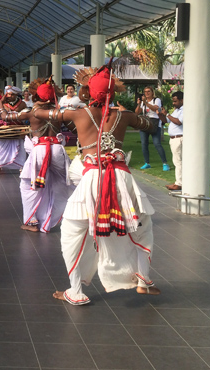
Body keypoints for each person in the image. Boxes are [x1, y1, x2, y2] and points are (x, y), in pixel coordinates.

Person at [34, 65, 159, 305]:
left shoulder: (78, 114)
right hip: (122, 177)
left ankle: (76, 291)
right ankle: (144, 280)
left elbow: (40, 115)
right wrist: (131, 113)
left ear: (89, 91)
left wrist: (47, 102)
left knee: (72, 234)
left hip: (92, 178)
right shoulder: (125, 115)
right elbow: (150, 125)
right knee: (143, 229)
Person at [0, 77, 72, 232]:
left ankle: (32, 222)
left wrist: (0, 104)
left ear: (36, 96)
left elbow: (5, 117)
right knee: (67, 183)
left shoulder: (31, 113)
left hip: (39, 151)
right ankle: (72, 217)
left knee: (28, 186)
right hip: (58, 150)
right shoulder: (61, 112)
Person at [0, 85, 28, 175]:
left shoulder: (22, 104)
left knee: (21, 148)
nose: (9, 96)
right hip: (5, 130)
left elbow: (27, 115)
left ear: (15, 95)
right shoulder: (2, 103)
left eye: (11, 95)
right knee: (0, 148)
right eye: (8, 94)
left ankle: (22, 168)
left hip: (18, 129)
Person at [134, 86, 170, 171]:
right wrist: (139, 104)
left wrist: (146, 103)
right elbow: (136, 112)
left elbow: (155, 109)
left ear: (152, 92)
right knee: (144, 144)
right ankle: (147, 163)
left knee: (157, 144)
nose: (146, 93)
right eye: (145, 91)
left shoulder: (156, 100)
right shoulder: (143, 102)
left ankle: (165, 163)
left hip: (155, 124)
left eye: (148, 91)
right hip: (145, 124)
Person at [158, 91, 183, 191]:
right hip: (174, 139)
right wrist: (160, 114)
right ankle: (179, 181)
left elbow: (178, 122)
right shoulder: (177, 110)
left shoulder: (184, 110)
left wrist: (167, 114)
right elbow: (166, 121)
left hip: (179, 138)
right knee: (177, 161)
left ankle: (179, 183)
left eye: (175, 101)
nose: (173, 103)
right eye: (173, 101)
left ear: (182, 100)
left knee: (178, 161)